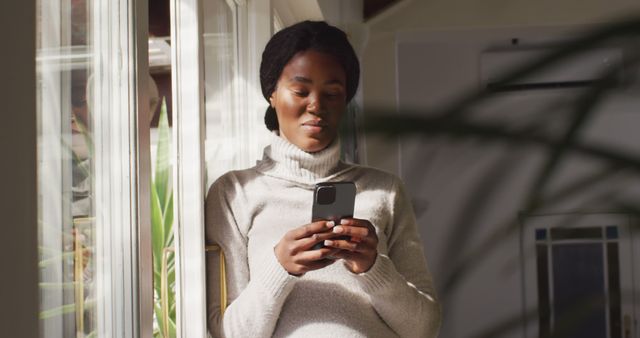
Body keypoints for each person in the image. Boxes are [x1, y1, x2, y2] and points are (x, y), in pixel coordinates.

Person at [205, 20, 441, 338]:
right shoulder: (234, 193)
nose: (316, 106)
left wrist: (373, 268)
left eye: (332, 93)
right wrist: (279, 268)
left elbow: (424, 328)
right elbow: (228, 334)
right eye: (301, 91)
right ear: (272, 94)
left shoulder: (385, 190)